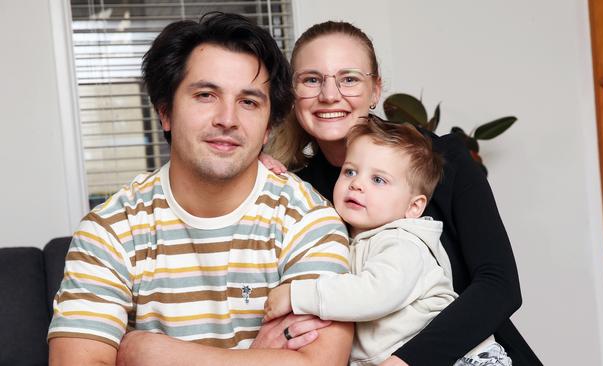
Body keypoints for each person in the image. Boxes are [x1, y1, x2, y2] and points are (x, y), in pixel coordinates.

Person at [47, 13, 354, 366]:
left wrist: (149, 353)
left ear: (268, 128)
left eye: (249, 102)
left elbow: (320, 363)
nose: (227, 118)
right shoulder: (111, 230)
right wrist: (259, 358)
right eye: (206, 95)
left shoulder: (308, 221)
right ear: (166, 113)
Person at [267, 21, 542, 365]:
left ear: (375, 89)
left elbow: (498, 286)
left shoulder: (441, 160)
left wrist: (403, 362)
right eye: (311, 79)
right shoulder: (299, 191)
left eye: (349, 79)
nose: (329, 95)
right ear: (293, 93)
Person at [264, 117, 512, 366]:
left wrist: (297, 296)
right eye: (350, 171)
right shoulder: (349, 239)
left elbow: (373, 294)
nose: (357, 184)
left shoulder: (403, 243)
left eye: (378, 180)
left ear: (414, 207)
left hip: (466, 360)